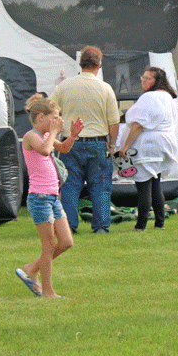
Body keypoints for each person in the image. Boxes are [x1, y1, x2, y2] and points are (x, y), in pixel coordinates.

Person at [15, 94, 81, 299]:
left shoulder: (46, 135)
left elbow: (63, 148)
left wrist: (72, 135)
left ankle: (32, 268)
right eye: (55, 118)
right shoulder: (31, 136)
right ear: (41, 117)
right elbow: (45, 151)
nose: (58, 121)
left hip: (53, 198)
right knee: (49, 246)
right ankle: (48, 292)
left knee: (66, 242)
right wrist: (53, 133)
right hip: (39, 198)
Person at [51, 45, 121, 234]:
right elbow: (114, 122)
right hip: (98, 143)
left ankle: (69, 227)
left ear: (81, 64)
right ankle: (101, 226)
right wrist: (112, 145)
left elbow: (52, 114)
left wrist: (55, 138)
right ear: (99, 65)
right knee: (101, 187)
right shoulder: (105, 89)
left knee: (70, 187)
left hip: (70, 142)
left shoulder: (64, 87)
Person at [116, 67, 178, 232]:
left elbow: (138, 125)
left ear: (156, 81)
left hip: (147, 146)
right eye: (142, 77)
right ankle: (160, 223)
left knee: (143, 184)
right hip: (163, 145)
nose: (143, 81)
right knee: (155, 184)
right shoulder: (168, 97)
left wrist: (125, 147)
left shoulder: (150, 97)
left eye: (147, 78)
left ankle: (141, 225)